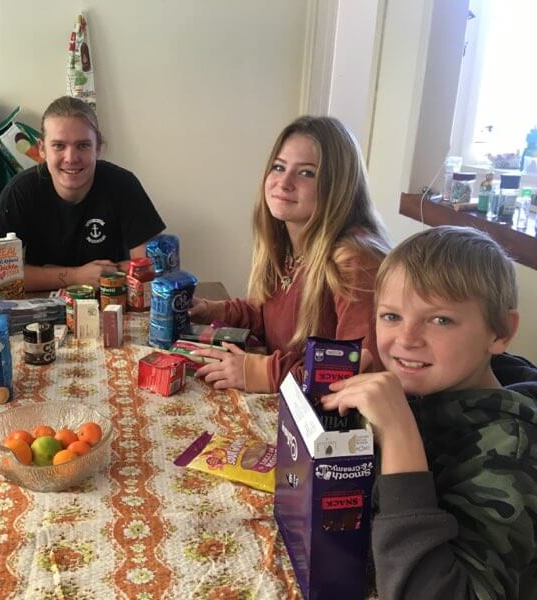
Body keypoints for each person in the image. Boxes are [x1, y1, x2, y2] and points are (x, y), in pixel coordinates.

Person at [321, 226, 537, 599]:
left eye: (440, 320)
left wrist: (399, 435)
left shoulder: (511, 450)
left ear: (500, 331)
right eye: (391, 316)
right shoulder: (432, 390)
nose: (406, 339)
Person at [190, 116, 390, 392]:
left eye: (306, 173)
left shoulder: (355, 259)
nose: (284, 182)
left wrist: (261, 373)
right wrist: (211, 310)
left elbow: (356, 372)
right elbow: (268, 316)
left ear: (339, 185)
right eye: (278, 167)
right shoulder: (288, 241)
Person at [0, 96, 166, 292]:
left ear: (98, 148)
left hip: (113, 300)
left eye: (83, 145)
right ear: (42, 149)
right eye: (59, 146)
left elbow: (153, 266)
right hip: (43, 310)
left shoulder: (123, 184)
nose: (71, 158)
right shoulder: (21, 190)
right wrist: (77, 276)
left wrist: (101, 273)